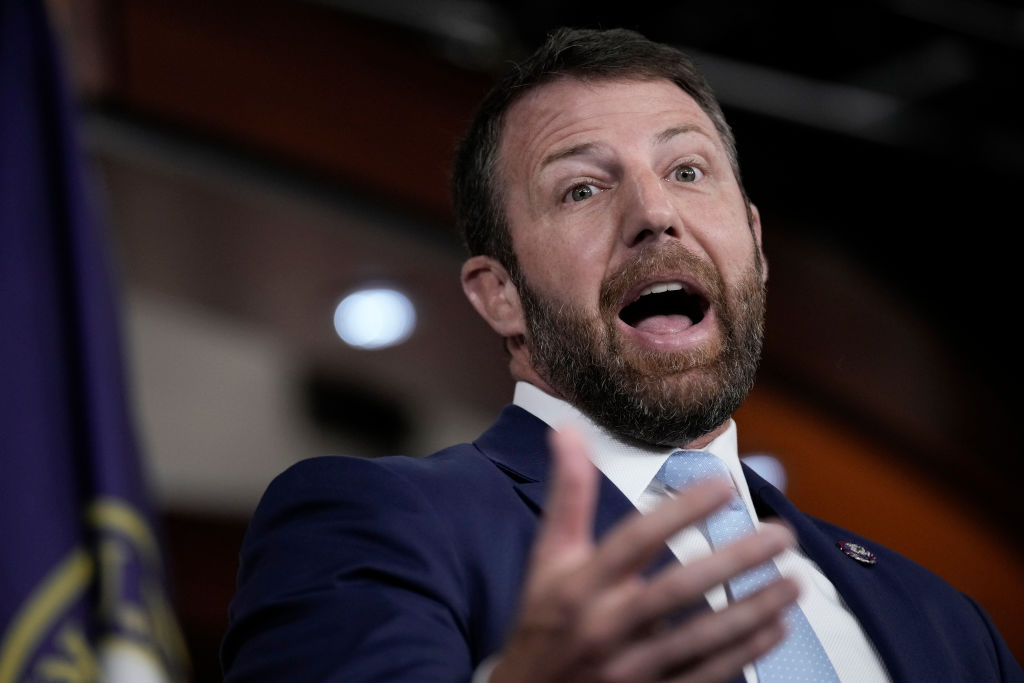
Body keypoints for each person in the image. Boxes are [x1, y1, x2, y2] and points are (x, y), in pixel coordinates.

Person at [220, 27, 1023, 682]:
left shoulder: (947, 622)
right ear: (500, 293)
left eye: (686, 169)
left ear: (755, 243)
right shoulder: (373, 522)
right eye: (581, 188)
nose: (655, 211)